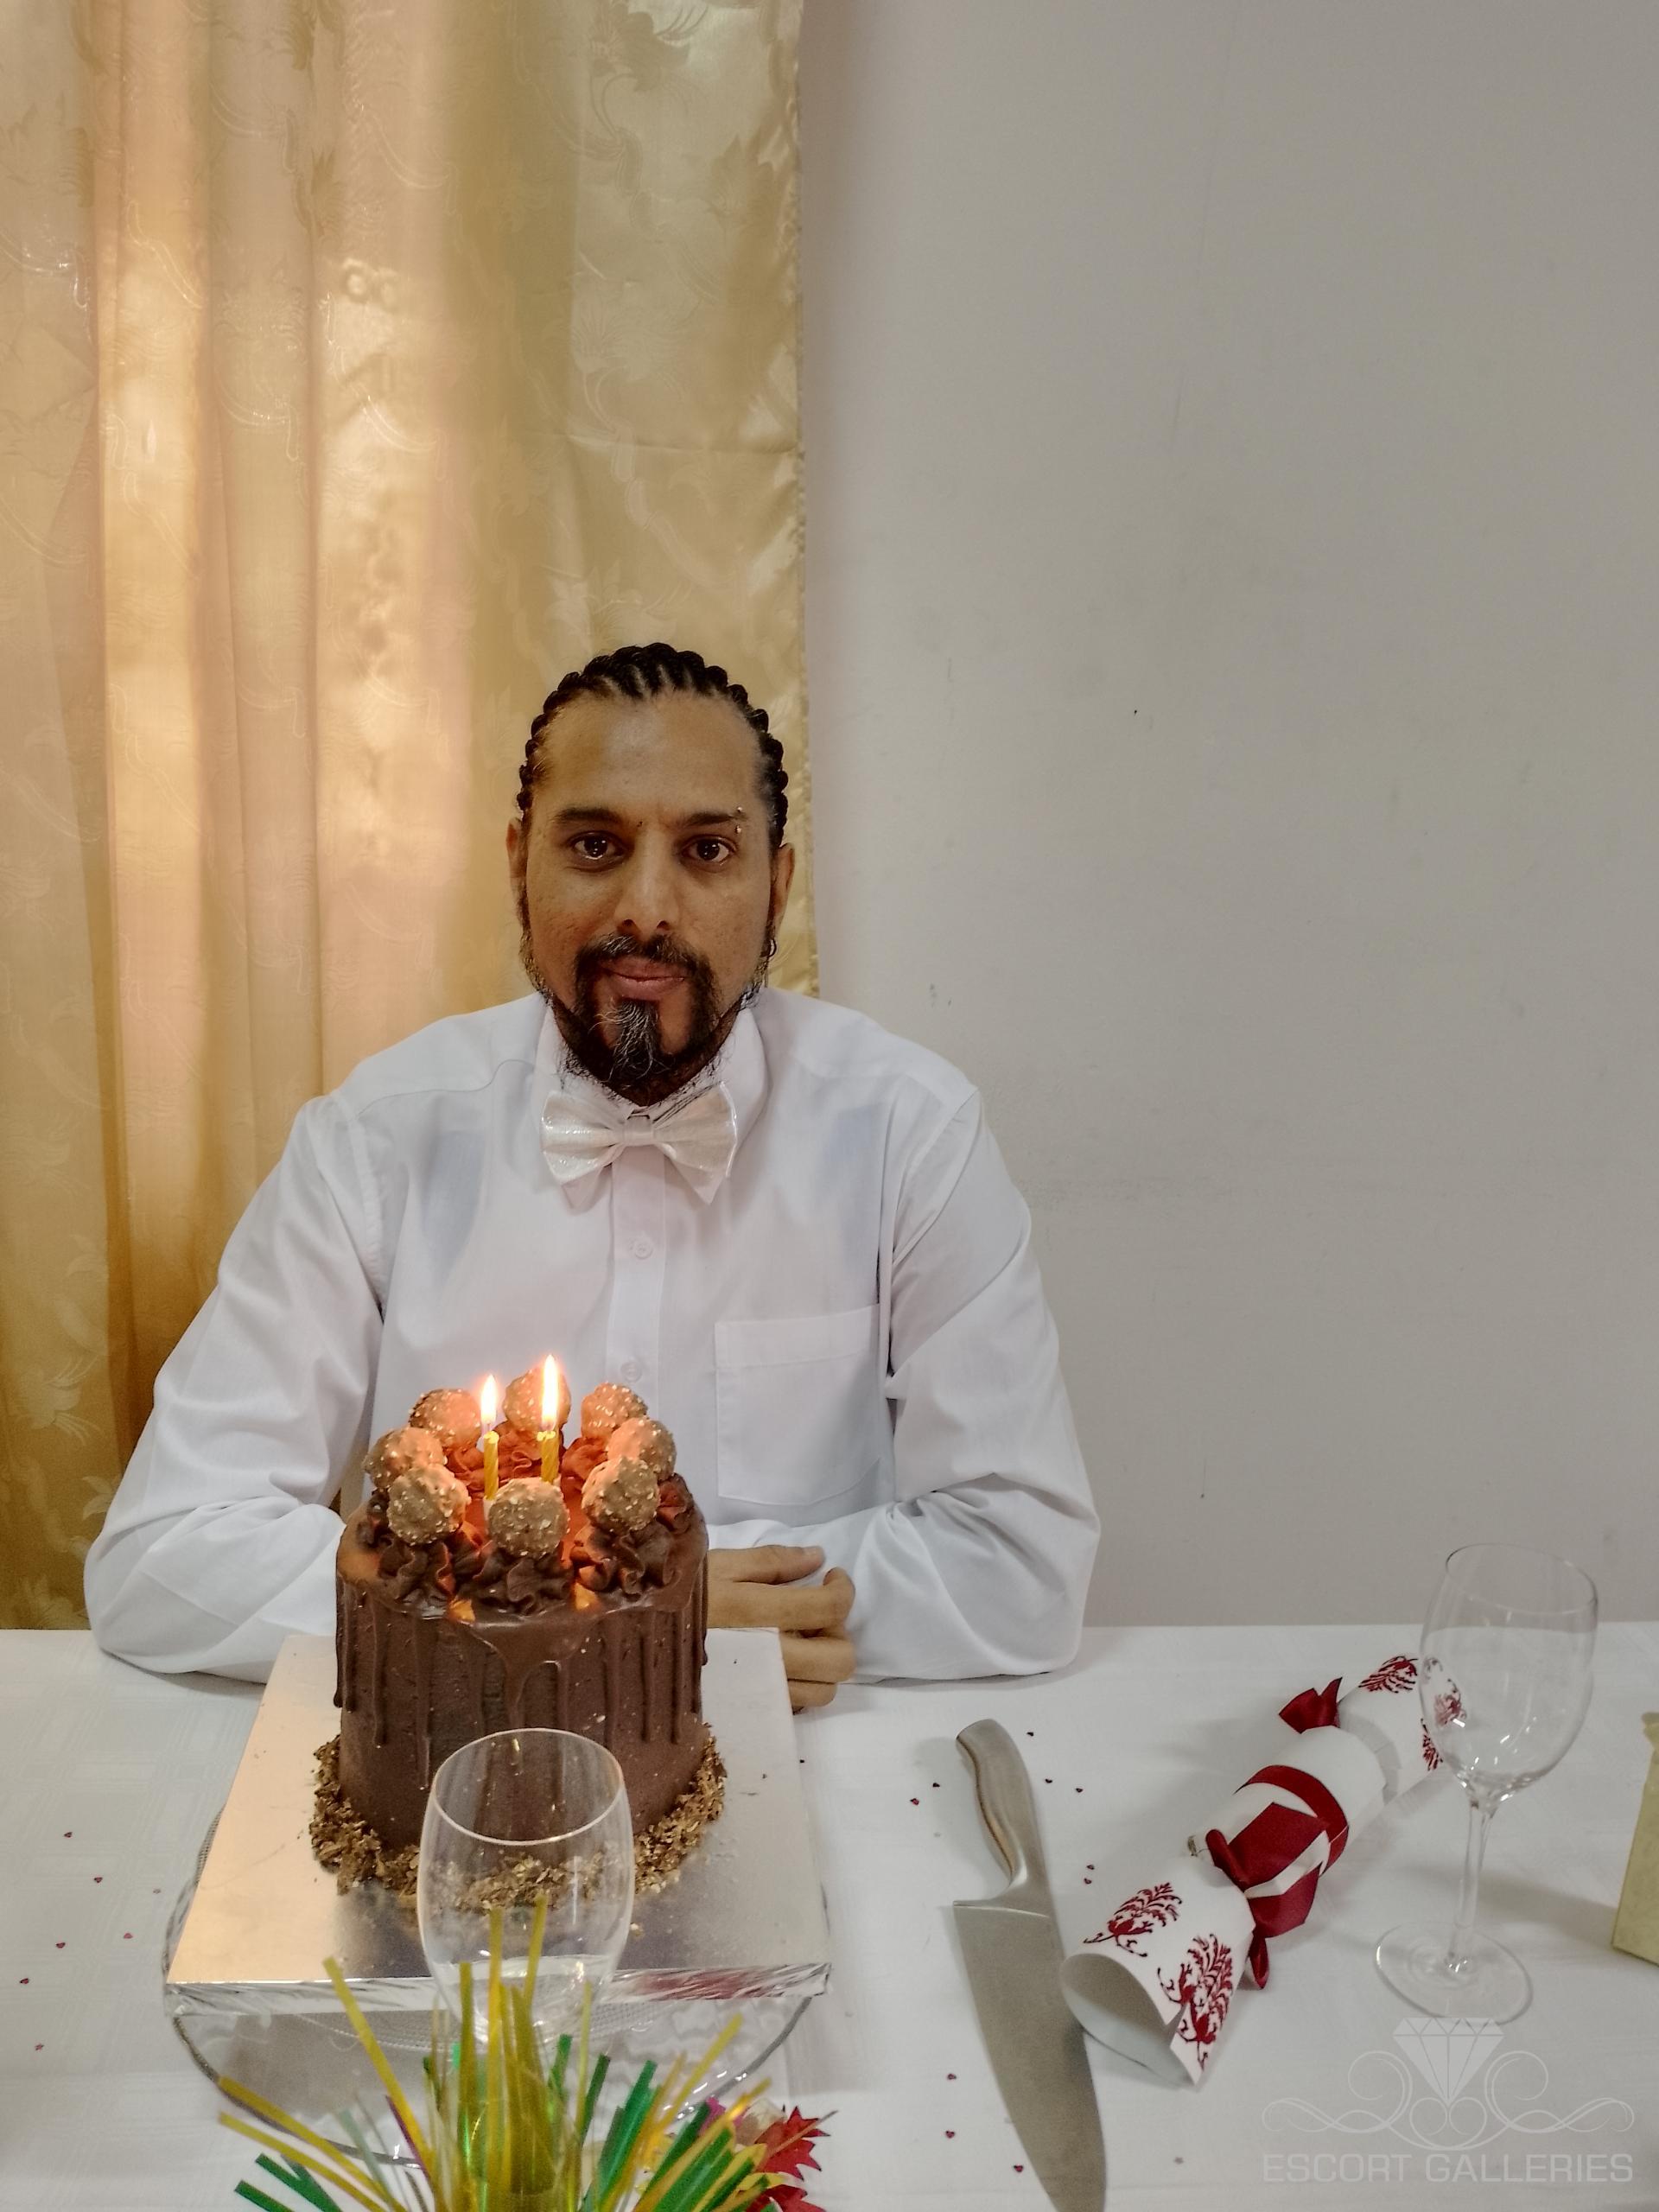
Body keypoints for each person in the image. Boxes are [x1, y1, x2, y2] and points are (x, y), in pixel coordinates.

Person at [86, 644, 1099, 1707]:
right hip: (460, 1772)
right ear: (519, 865)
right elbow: (161, 1555)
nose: (647, 906)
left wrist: (676, 1616)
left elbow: (1022, 1567)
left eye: (707, 849)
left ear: (778, 886)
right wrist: (609, 1623)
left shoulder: (911, 1133)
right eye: (596, 845)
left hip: (828, 1760)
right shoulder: (372, 1140)